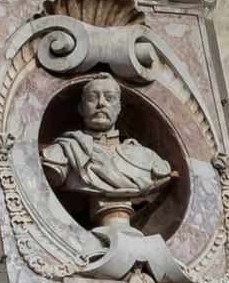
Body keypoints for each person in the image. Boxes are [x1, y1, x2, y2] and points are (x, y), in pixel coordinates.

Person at [41, 71, 175, 221]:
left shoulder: (146, 157)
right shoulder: (64, 149)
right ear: (81, 108)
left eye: (109, 98)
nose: (101, 104)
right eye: (93, 98)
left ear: (118, 108)